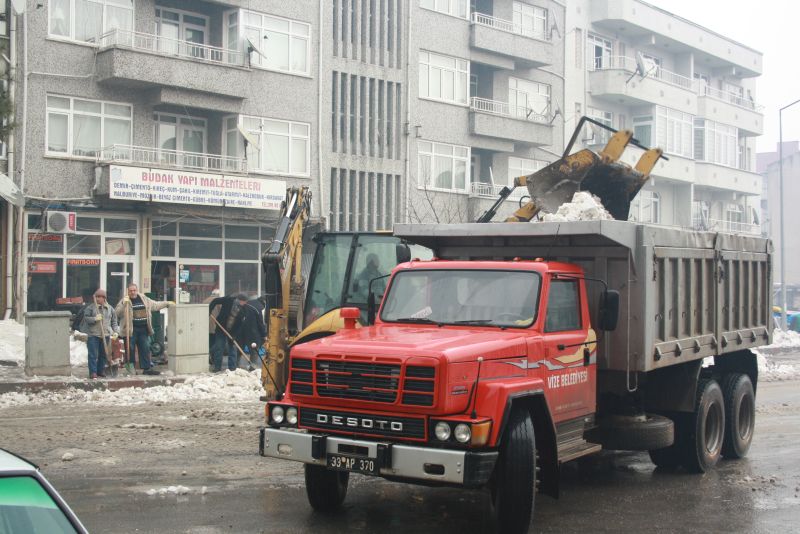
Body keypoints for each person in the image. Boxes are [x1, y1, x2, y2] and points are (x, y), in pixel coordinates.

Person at [115, 283, 174, 376]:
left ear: (137, 290)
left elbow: (155, 305)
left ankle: (146, 368)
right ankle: (131, 367)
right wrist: (124, 304)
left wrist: (167, 303)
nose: (132, 292)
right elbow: (117, 313)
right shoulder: (124, 301)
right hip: (130, 330)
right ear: (128, 291)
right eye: (130, 291)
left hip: (143, 329)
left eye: (134, 290)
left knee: (145, 348)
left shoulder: (143, 298)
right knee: (130, 348)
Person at [80, 288, 119, 380]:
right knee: (93, 354)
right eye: (97, 297)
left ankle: (100, 371)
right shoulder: (91, 308)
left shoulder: (110, 309)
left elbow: (114, 321)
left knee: (104, 354)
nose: (98, 299)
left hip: (105, 334)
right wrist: (94, 319)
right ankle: (93, 372)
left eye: (101, 297)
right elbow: (85, 319)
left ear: (104, 298)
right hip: (93, 334)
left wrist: (115, 331)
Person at [207, 293, 247, 372]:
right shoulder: (228, 300)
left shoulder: (243, 310)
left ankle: (232, 368)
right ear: (239, 300)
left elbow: (240, 325)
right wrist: (209, 310)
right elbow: (215, 301)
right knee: (219, 347)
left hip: (232, 332)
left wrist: (234, 336)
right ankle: (217, 367)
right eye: (244, 302)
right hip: (221, 328)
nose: (245, 304)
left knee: (232, 349)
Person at [233, 296, 268, 371]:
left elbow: (238, 317)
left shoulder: (248, 303)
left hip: (241, 330)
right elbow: (260, 323)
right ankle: (252, 367)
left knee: (239, 348)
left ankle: (236, 366)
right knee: (254, 350)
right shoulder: (260, 307)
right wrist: (264, 334)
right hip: (253, 332)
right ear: (264, 302)